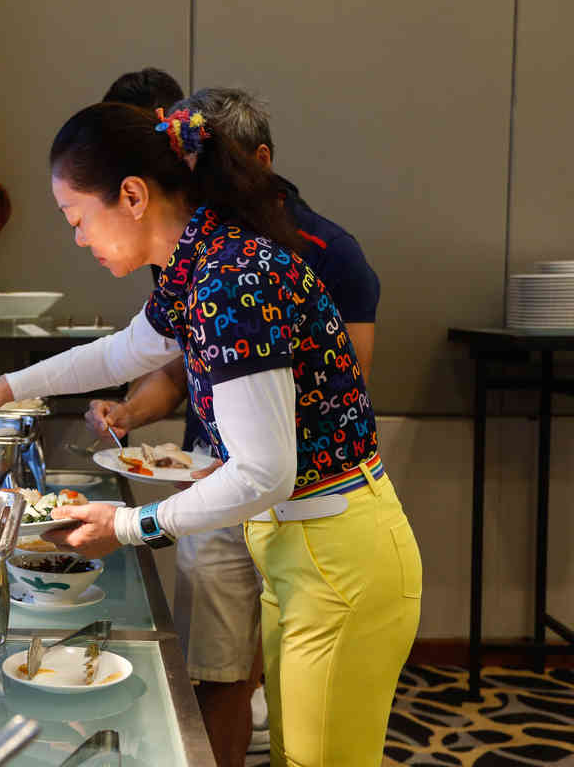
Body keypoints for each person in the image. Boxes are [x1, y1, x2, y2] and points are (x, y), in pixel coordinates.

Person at [0, 99, 421, 767]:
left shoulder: (229, 280)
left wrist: (128, 526)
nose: (78, 238)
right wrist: (2, 388)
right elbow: (123, 353)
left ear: (132, 196)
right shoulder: (198, 263)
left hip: (338, 555)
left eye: (77, 218)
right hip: (302, 545)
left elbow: (263, 471)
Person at [96, 84, 381, 765]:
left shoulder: (319, 251)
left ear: (259, 161)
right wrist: (128, 410)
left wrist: (134, 522)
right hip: (221, 488)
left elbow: (345, 383)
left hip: (309, 503)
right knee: (218, 672)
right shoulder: (197, 253)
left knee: (298, 710)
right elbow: (176, 360)